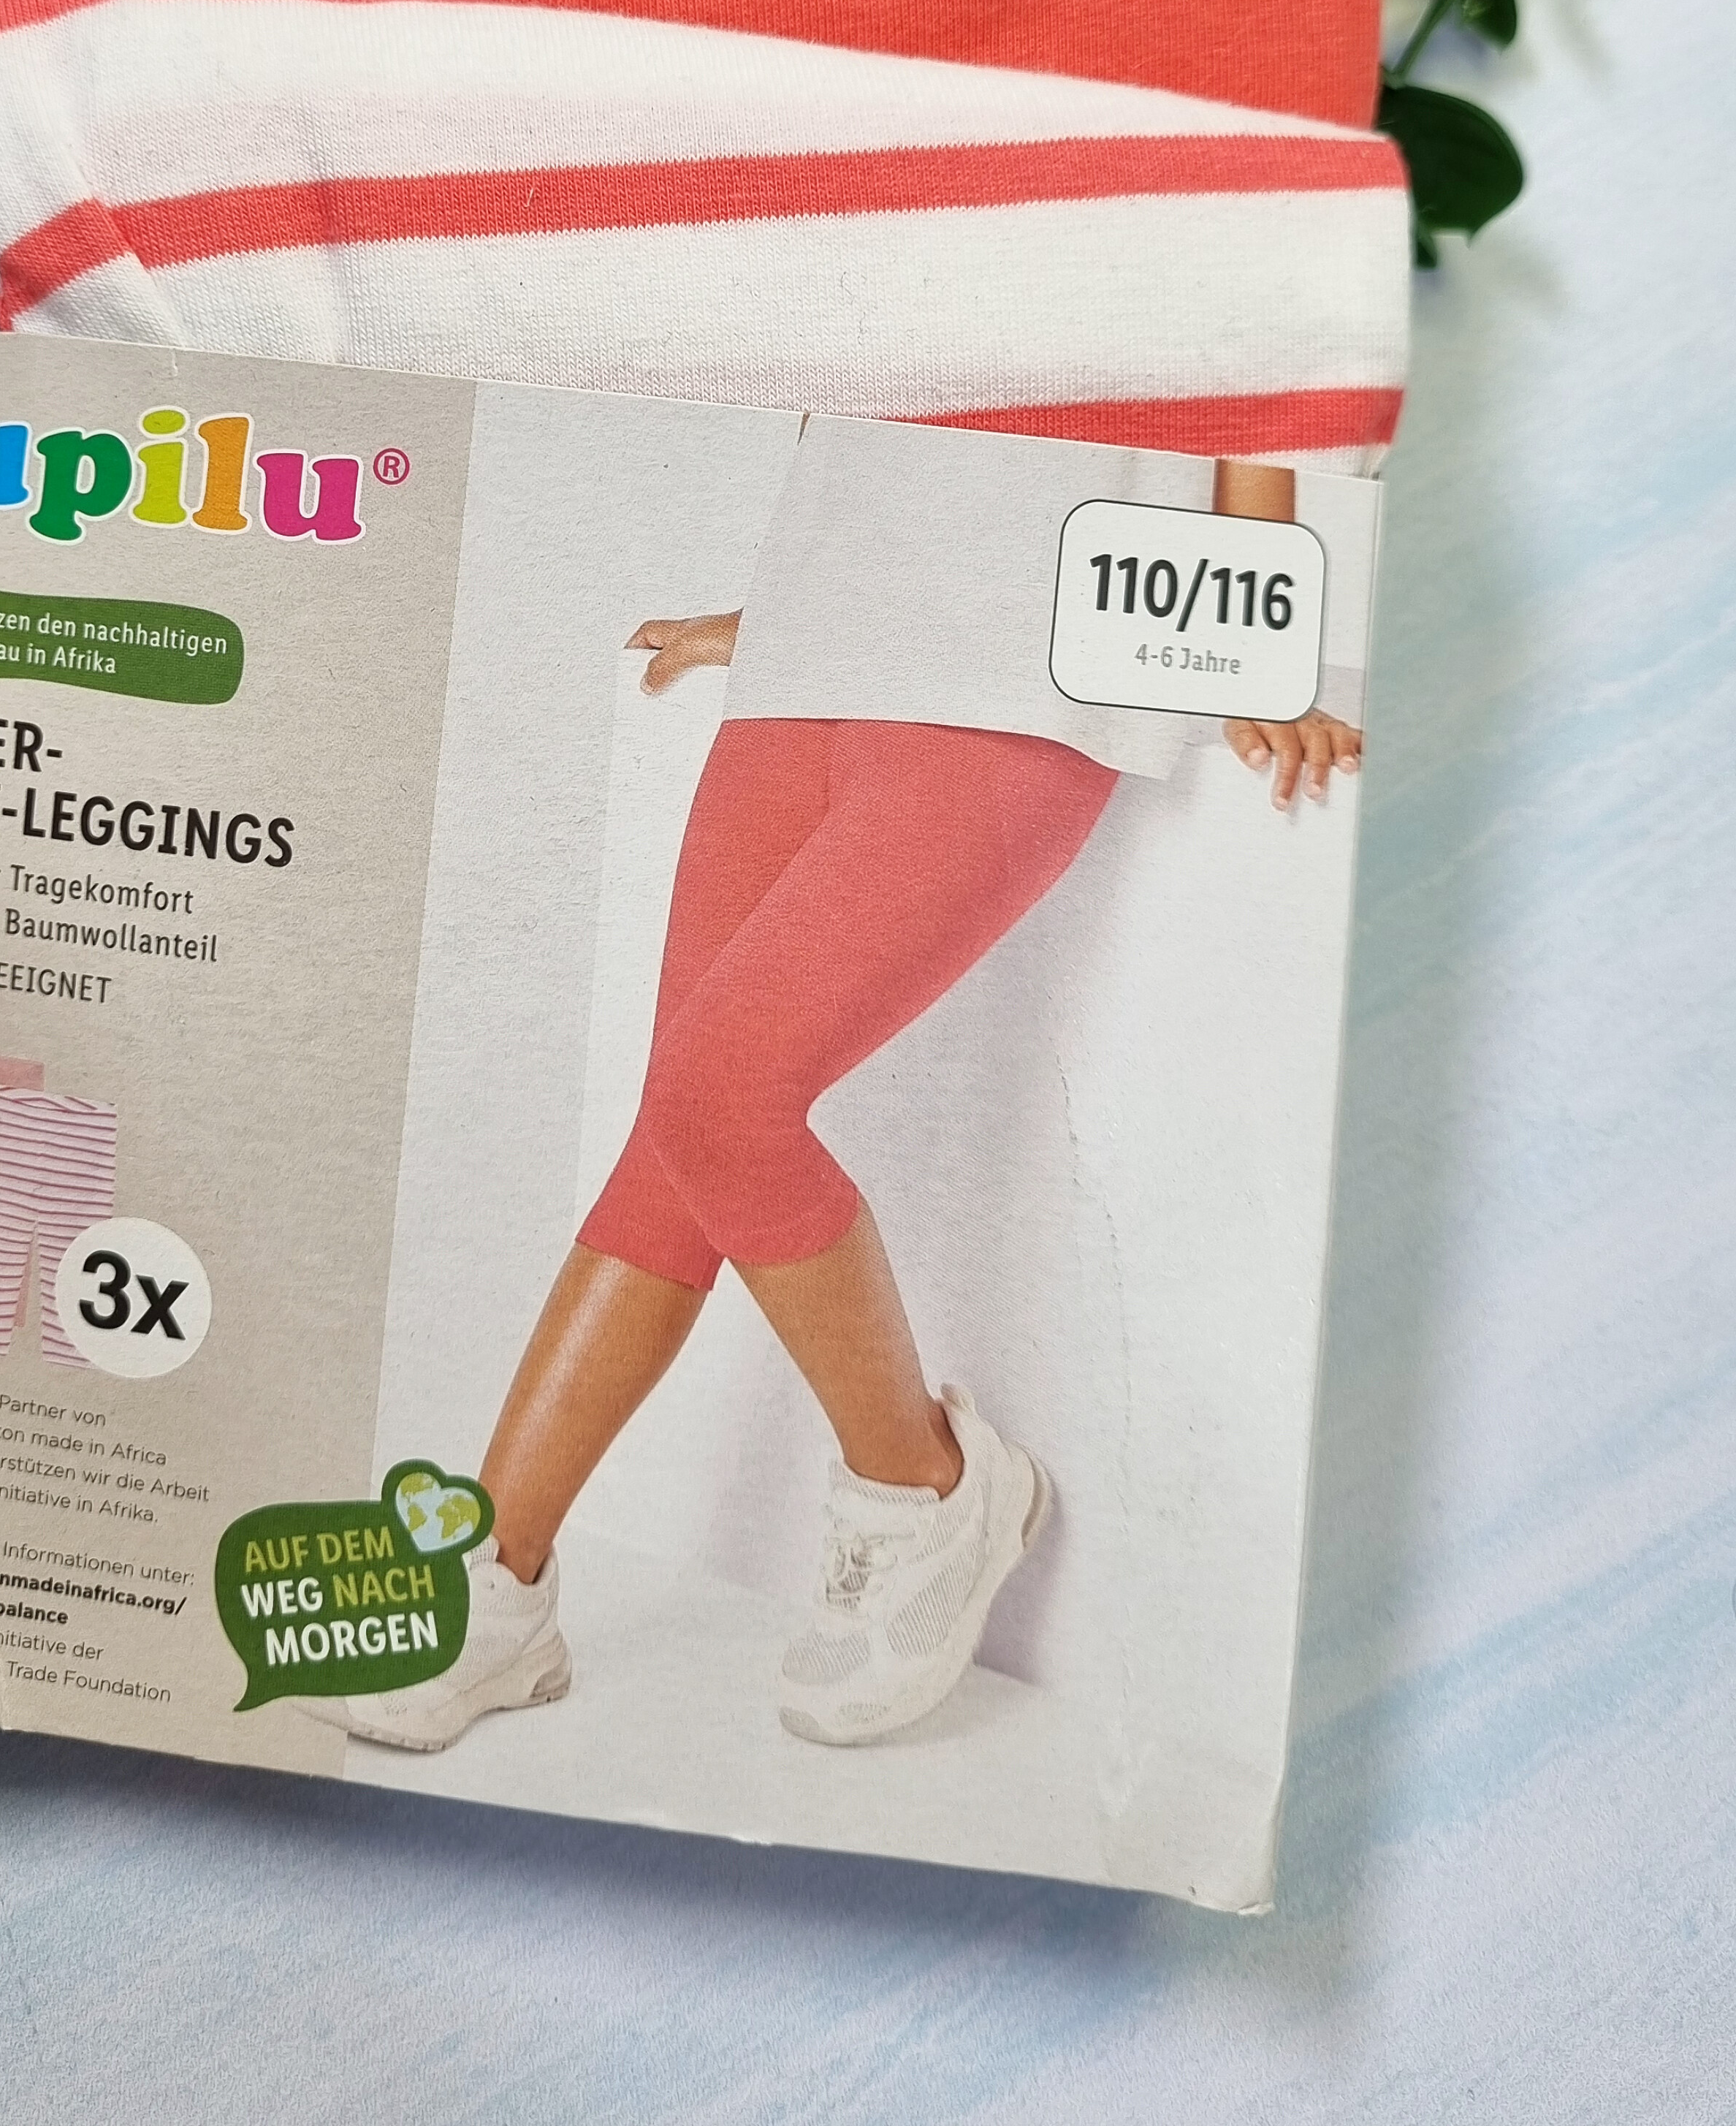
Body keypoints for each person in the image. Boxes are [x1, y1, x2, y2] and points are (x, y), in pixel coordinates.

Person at [308, 460, 1361, 1753]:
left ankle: (926, 1486)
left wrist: (1258, 656)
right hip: (819, 651)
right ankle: (497, 1584)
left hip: (1023, 672)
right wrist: (800, 593)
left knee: (721, 1102)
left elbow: (1241, 387)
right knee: (673, 1143)